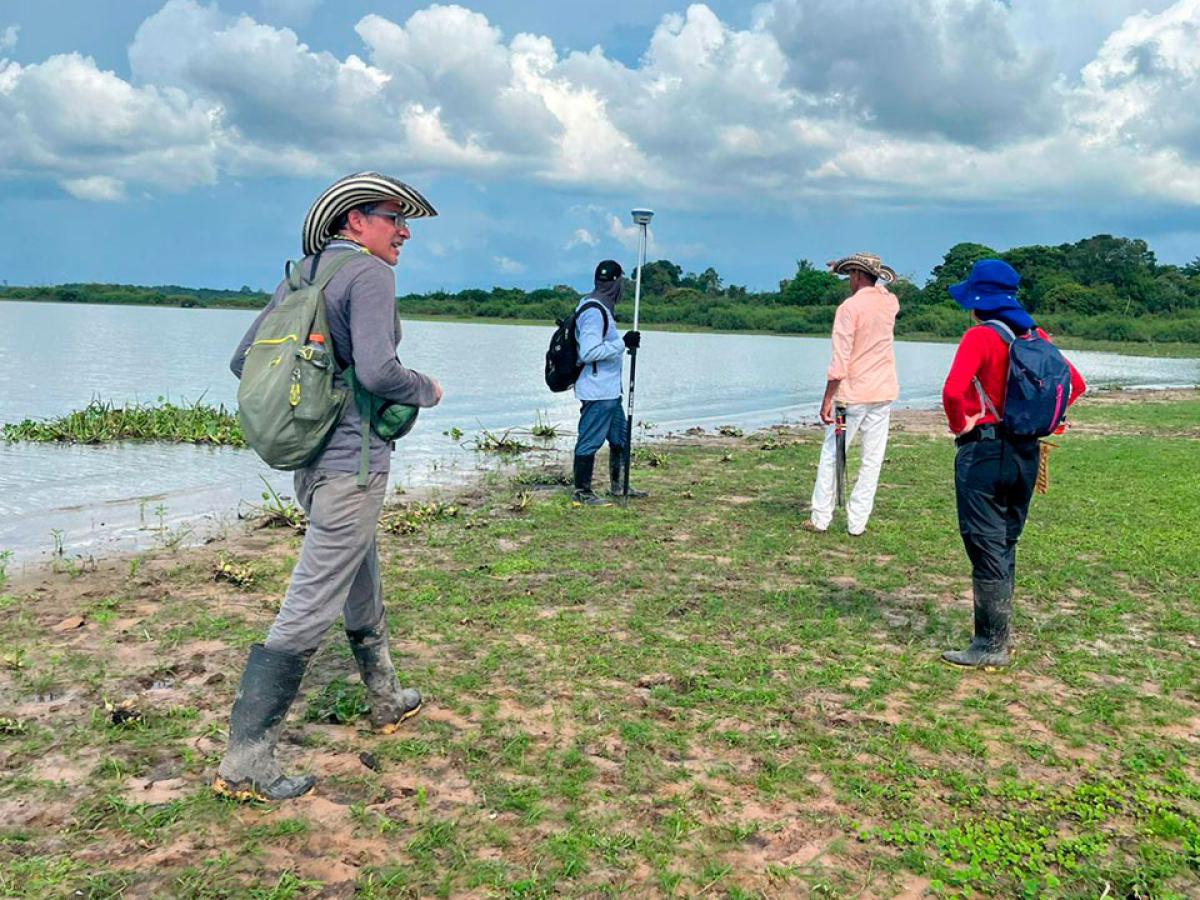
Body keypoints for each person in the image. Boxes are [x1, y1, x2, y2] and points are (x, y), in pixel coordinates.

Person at [214, 172, 444, 801]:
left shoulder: (302, 275)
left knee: (358, 572)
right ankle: (246, 760)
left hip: (311, 465)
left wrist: (318, 390)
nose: (403, 232)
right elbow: (378, 369)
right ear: (354, 222)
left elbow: (244, 360)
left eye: (404, 221)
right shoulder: (370, 274)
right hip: (353, 466)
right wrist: (426, 387)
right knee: (309, 604)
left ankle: (386, 696)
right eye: (391, 218)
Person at [941, 259, 1086, 668]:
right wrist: (1041, 419)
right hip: (1026, 451)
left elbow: (953, 392)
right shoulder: (1035, 336)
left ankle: (990, 645)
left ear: (977, 301)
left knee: (983, 541)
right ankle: (998, 636)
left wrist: (963, 423)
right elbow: (1075, 384)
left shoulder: (980, 337)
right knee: (1004, 540)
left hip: (984, 451)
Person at [805, 252, 900, 536]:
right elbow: (883, 289)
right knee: (872, 458)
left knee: (834, 454)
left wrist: (827, 399)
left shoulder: (849, 308)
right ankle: (857, 522)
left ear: (856, 276)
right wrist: (847, 268)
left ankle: (821, 518)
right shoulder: (889, 303)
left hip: (852, 395)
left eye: (850, 275)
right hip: (882, 391)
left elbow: (839, 362)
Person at [571, 259, 644, 505]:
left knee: (620, 437)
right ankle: (582, 492)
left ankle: (619, 486)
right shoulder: (593, 311)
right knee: (590, 439)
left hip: (611, 391)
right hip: (597, 391)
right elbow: (588, 352)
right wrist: (623, 343)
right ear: (617, 283)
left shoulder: (601, 307)